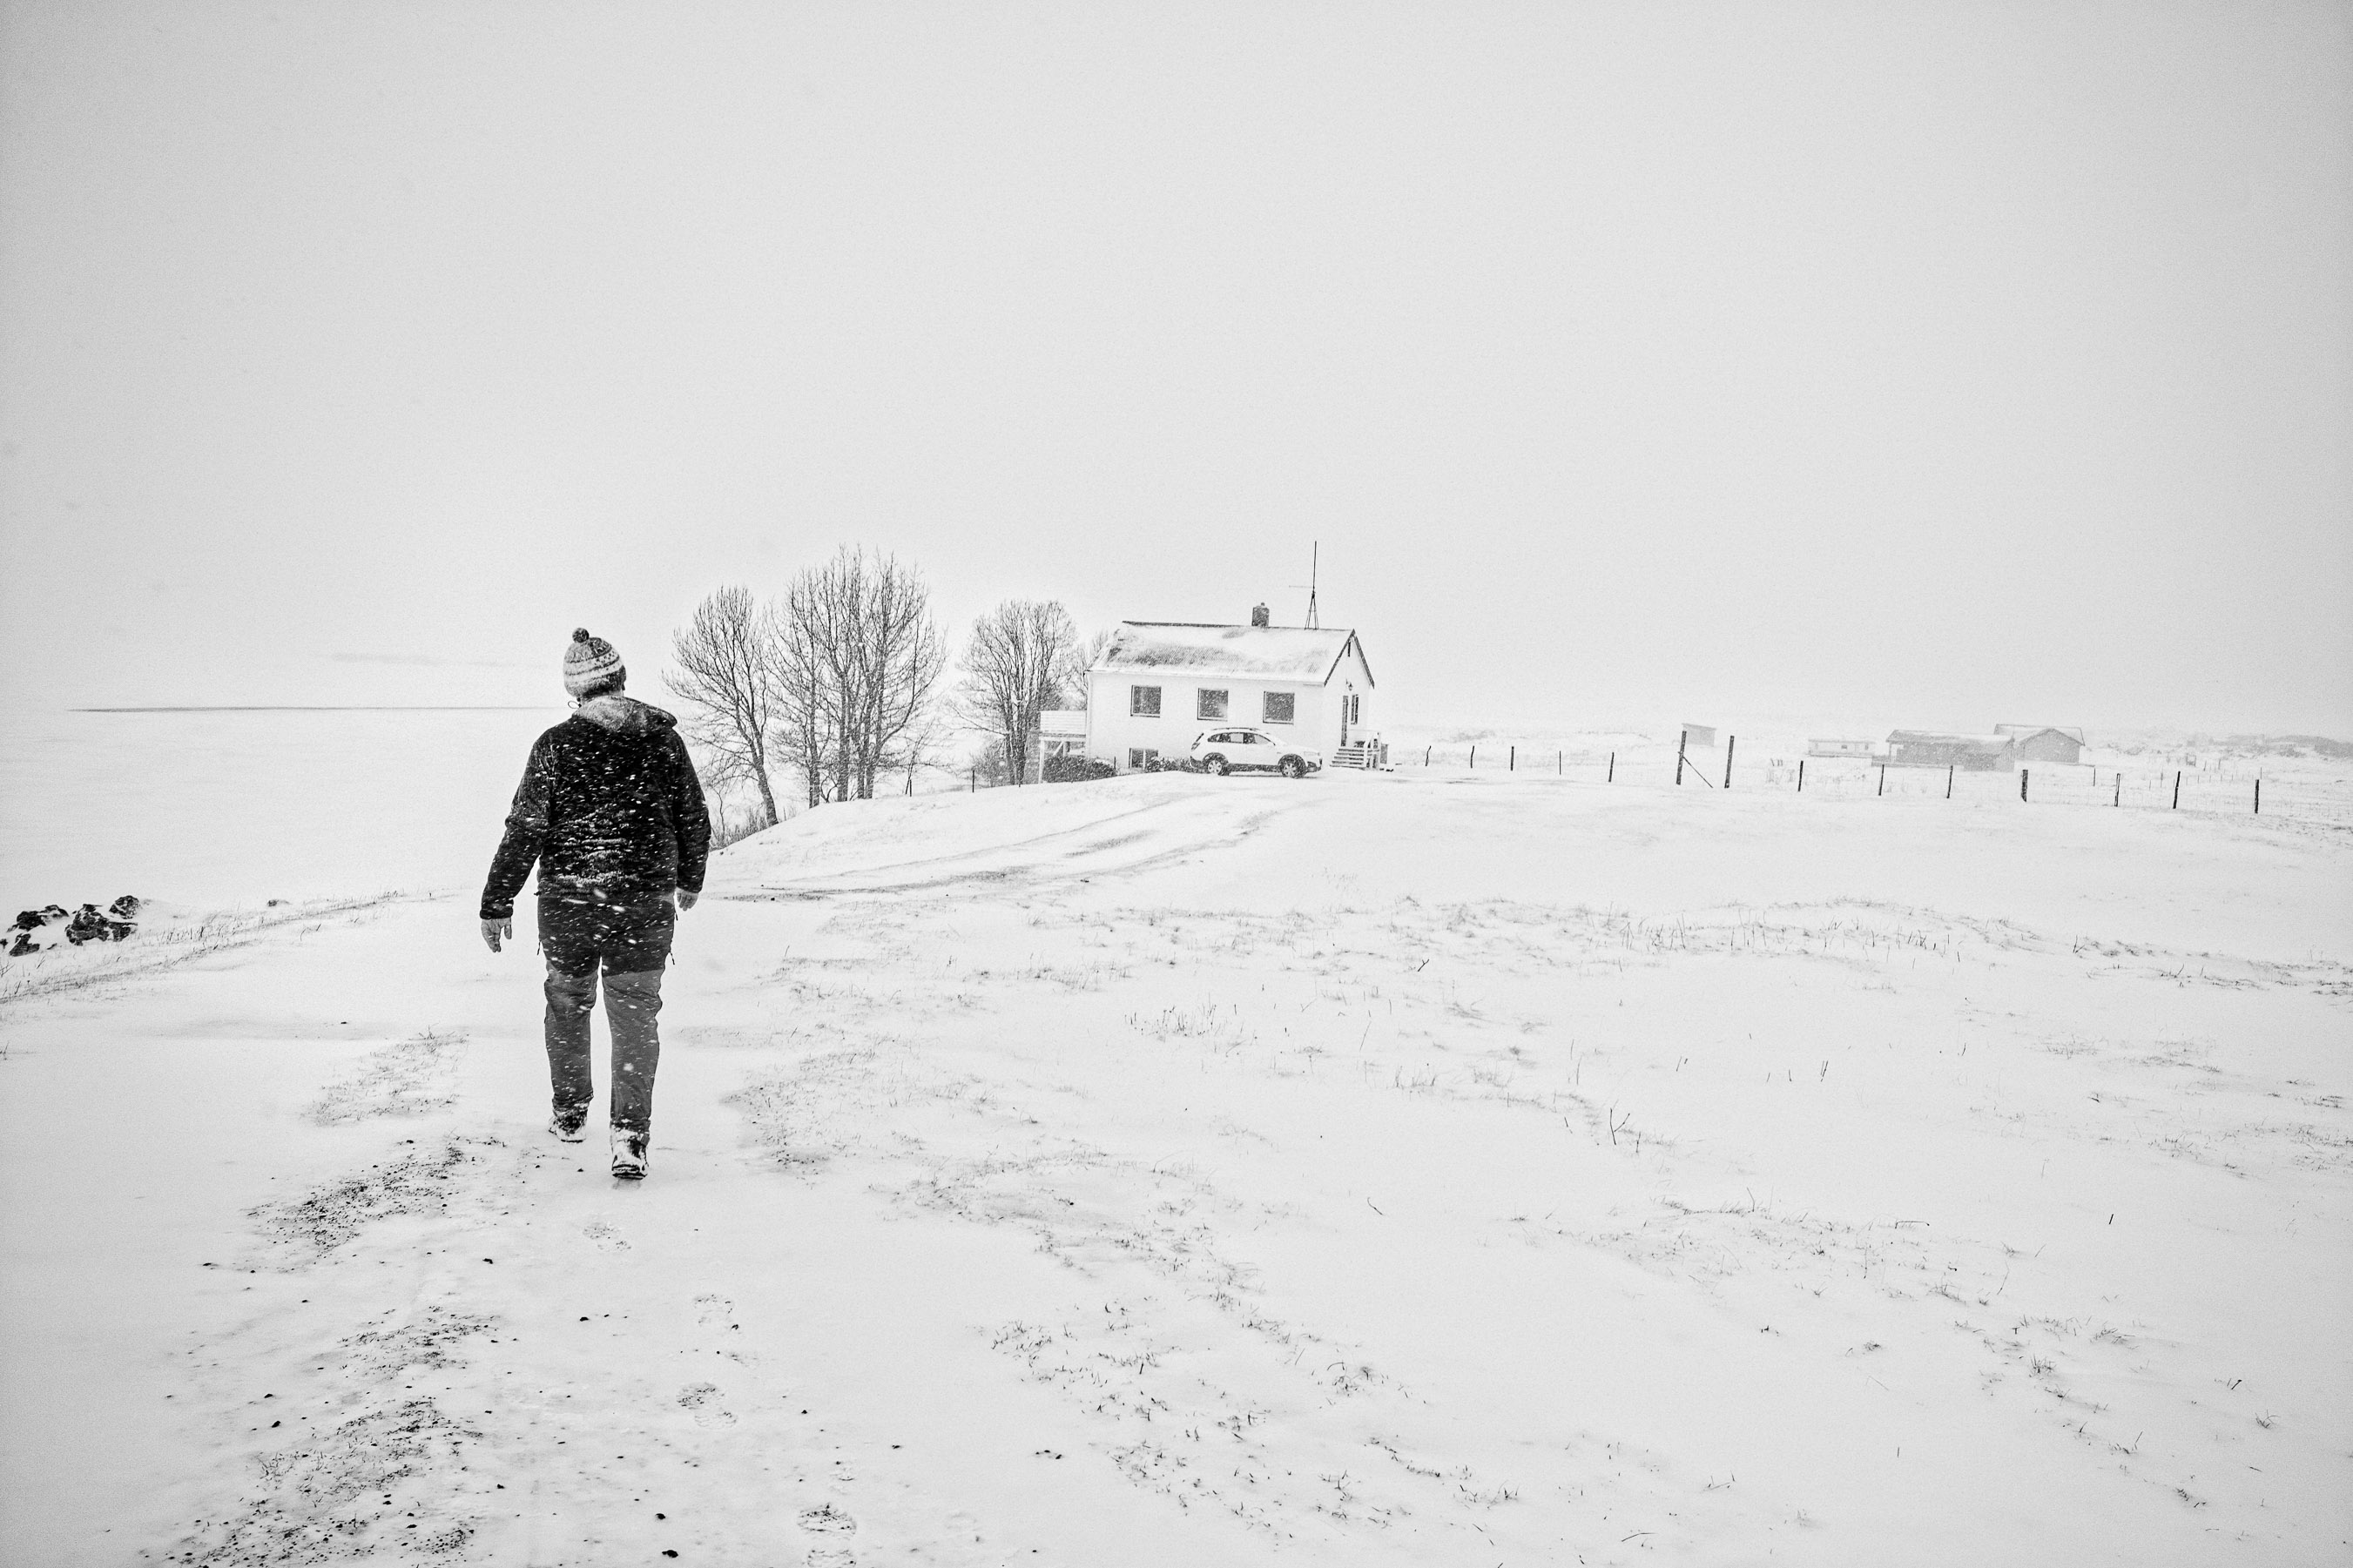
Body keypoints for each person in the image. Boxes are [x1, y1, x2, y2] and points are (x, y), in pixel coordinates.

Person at [481, 629, 711, 1179]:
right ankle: (630, 1136)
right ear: (621, 678)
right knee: (634, 1015)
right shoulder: (662, 742)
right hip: (644, 902)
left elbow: (526, 828)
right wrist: (690, 879)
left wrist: (498, 900)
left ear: (574, 690)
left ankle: (569, 1111)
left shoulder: (556, 745)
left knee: (568, 1003)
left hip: (569, 904)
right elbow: (693, 814)